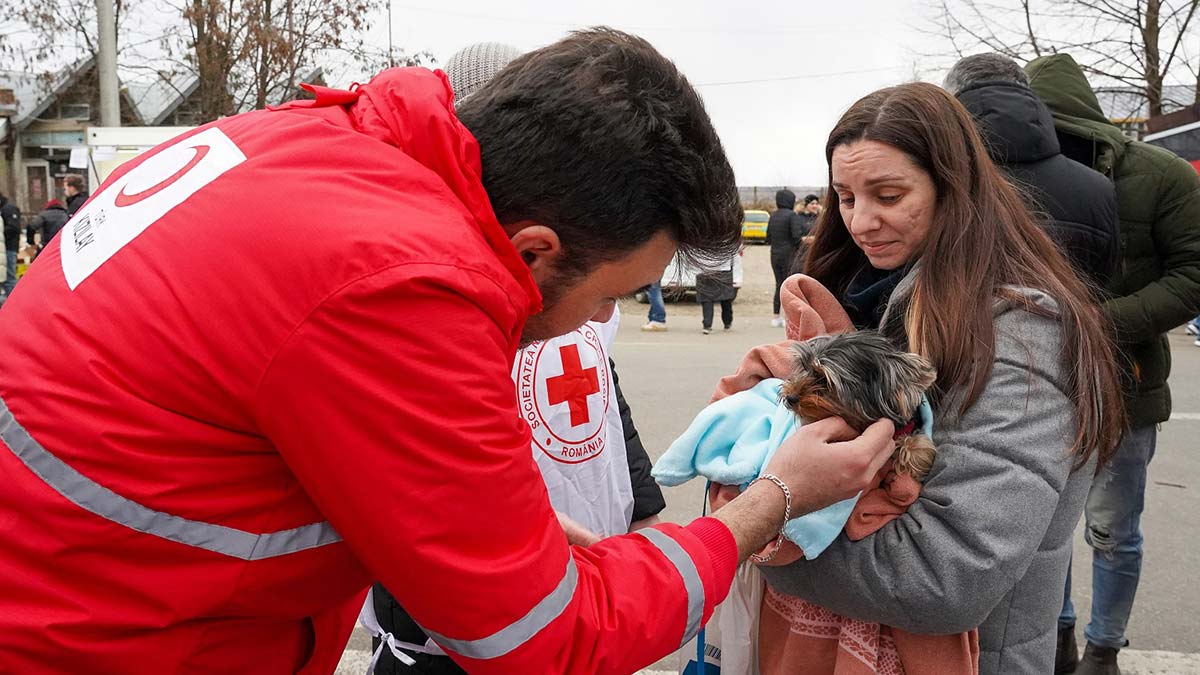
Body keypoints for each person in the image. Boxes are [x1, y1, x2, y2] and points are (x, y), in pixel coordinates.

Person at [0, 28, 896, 674]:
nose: (598, 321)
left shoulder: (315, 147)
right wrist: (772, 501)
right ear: (537, 248)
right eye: (608, 295)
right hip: (121, 638)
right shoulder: (399, 284)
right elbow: (550, 640)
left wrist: (509, 527)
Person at [747, 82, 1123, 675]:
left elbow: (946, 574)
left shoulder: (1021, 333)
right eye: (844, 198)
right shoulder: (853, 299)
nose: (861, 222)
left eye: (889, 195)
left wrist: (749, 528)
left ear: (954, 187)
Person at [368, 310, 667, 674]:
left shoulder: (581, 310)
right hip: (459, 625)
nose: (606, 312)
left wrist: (643, 517)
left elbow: (606, 407)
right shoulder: (445, 313)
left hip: (587, 597)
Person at [1025, 53, 1200, 675]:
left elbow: (1194, 272)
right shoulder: (1015, 177)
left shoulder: (1163, 175)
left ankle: (1105, 647)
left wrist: (1100, 325)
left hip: (1127, 386)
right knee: (1050, 530)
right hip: (1041, 390)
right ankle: (1061, 638)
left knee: (1113, 530)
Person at [944, 53, 1119, 291]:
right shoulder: (1098, 187)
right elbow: (1104, 279)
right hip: (1068, 324)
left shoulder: (938, 181)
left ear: (952, 98)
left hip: (954, 327)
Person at [767, 189, 804, 326]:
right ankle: (790, 318)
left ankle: (776, 317)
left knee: (778, 283)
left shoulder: (773, 216)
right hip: (789, 254)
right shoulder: (792, 216)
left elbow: (768, 238)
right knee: (790, 285)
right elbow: (796, 237)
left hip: (774, 254)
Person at [697, 249, 739, 334]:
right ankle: (727, 322)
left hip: (705, 266)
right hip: (724, 266)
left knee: (707, 297)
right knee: (725, 298)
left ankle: (707, 325)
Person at [0, 191, 20, 305]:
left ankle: (14, 303)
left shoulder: (8, 209)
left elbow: (14, 228)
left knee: (9, 278)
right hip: (5, 248)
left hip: (9, 248)